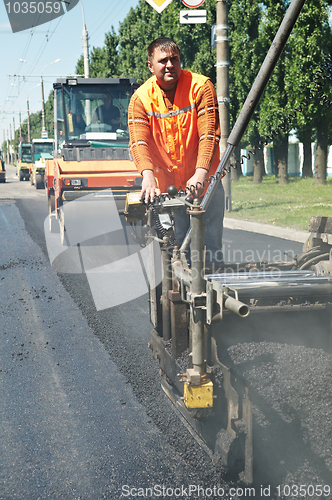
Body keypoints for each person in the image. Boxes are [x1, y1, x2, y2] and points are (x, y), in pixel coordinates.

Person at [128, 37, 224, 269]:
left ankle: (212, 290)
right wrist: (148, 176)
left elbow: (209, 135)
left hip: (205, 183)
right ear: (151, 66)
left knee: (211, 248)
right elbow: (138, 142)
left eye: (174, 59)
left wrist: (201, 174)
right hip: (171, 189)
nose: (170, 64)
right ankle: (184, 297)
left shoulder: (201, 87)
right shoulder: (140, 99)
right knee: (180, 246)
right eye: (163, 61)